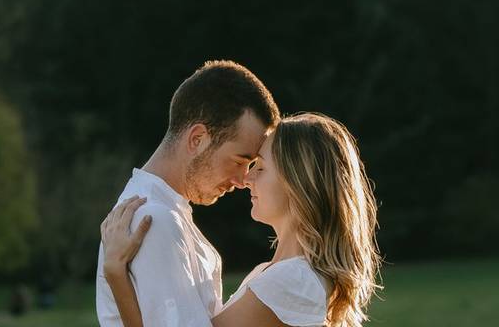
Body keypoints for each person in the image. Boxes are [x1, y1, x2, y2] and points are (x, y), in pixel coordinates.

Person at [102, 112, 381, 327]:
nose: (246, 179)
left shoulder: (290, 280)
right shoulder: (278, 274)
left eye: (260, 167)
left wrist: (116, 273)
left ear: (297, 184)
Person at [95, 60, 282, 327]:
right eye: (240, 161)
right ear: (197, 139)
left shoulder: (165, 211)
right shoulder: (153, 220)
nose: (243, 180)